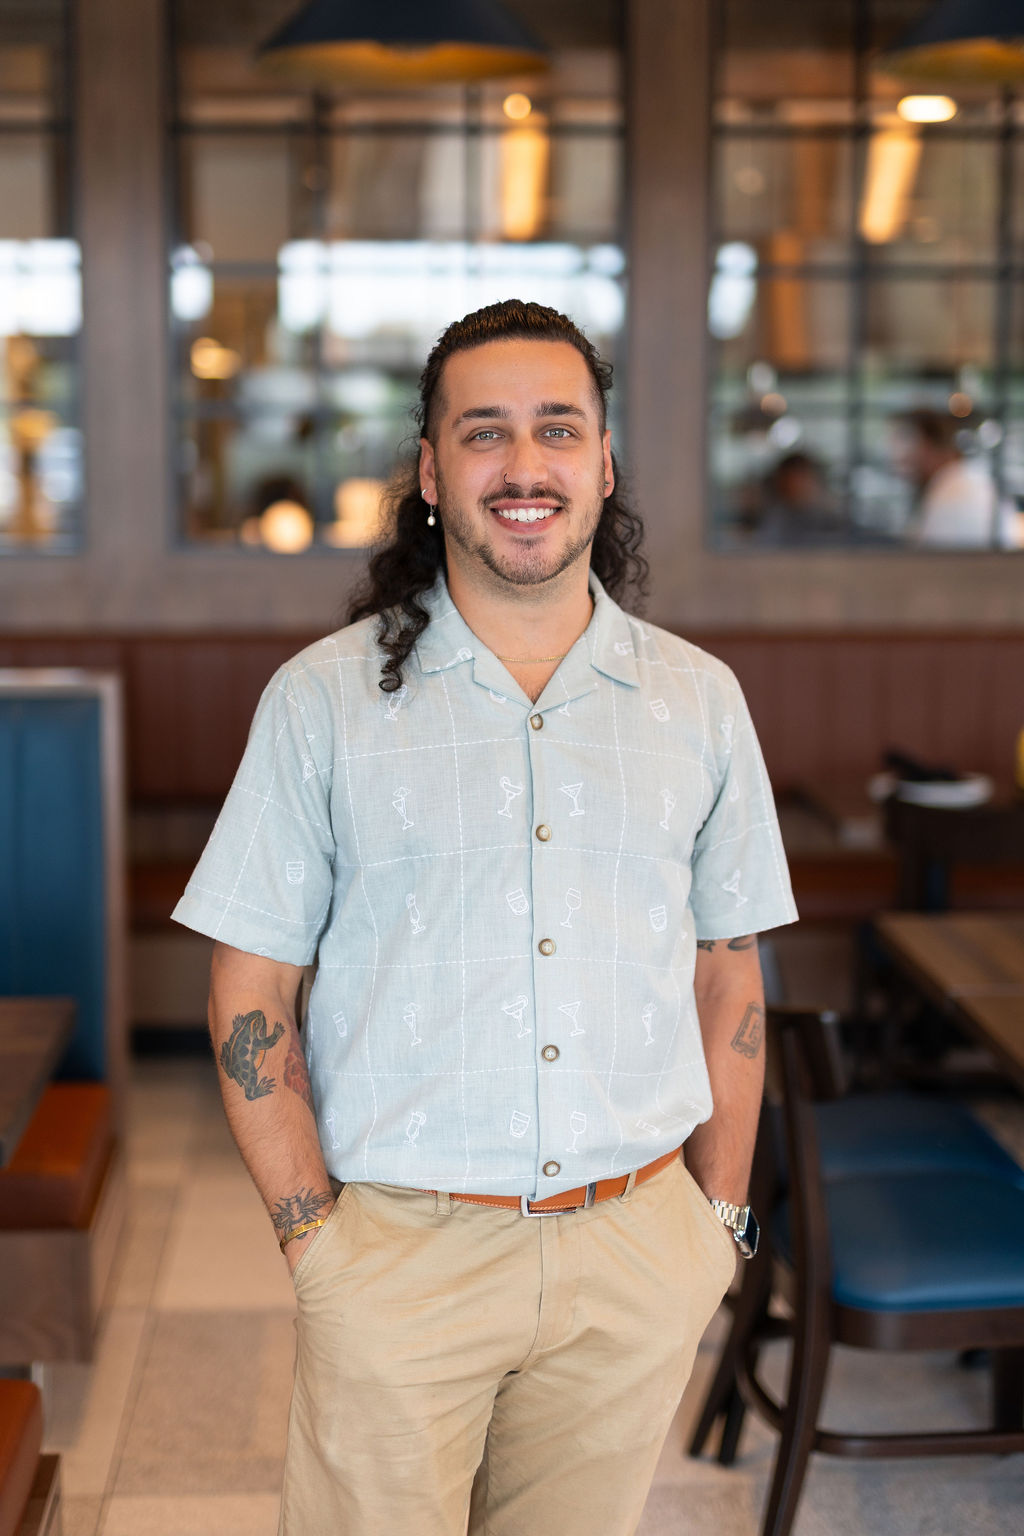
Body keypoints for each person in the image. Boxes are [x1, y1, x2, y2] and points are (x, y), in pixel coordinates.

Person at [172, 299, 798, 1536]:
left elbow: (728, 974)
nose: (524, 466)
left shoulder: (699, 702)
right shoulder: (321, 702)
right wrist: (314, 1246)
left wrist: (716, 1225)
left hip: (635, 1250)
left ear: (604, 463)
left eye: (557, 429)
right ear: (429, 471)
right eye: (484, 432)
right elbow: (250, 987)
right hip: (398, 1259)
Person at [894, 407, 1022, 549]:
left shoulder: (953, 492)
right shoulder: (971, 479)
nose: (900, 457)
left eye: (906, 443)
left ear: (928, 445)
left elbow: (929, 557)